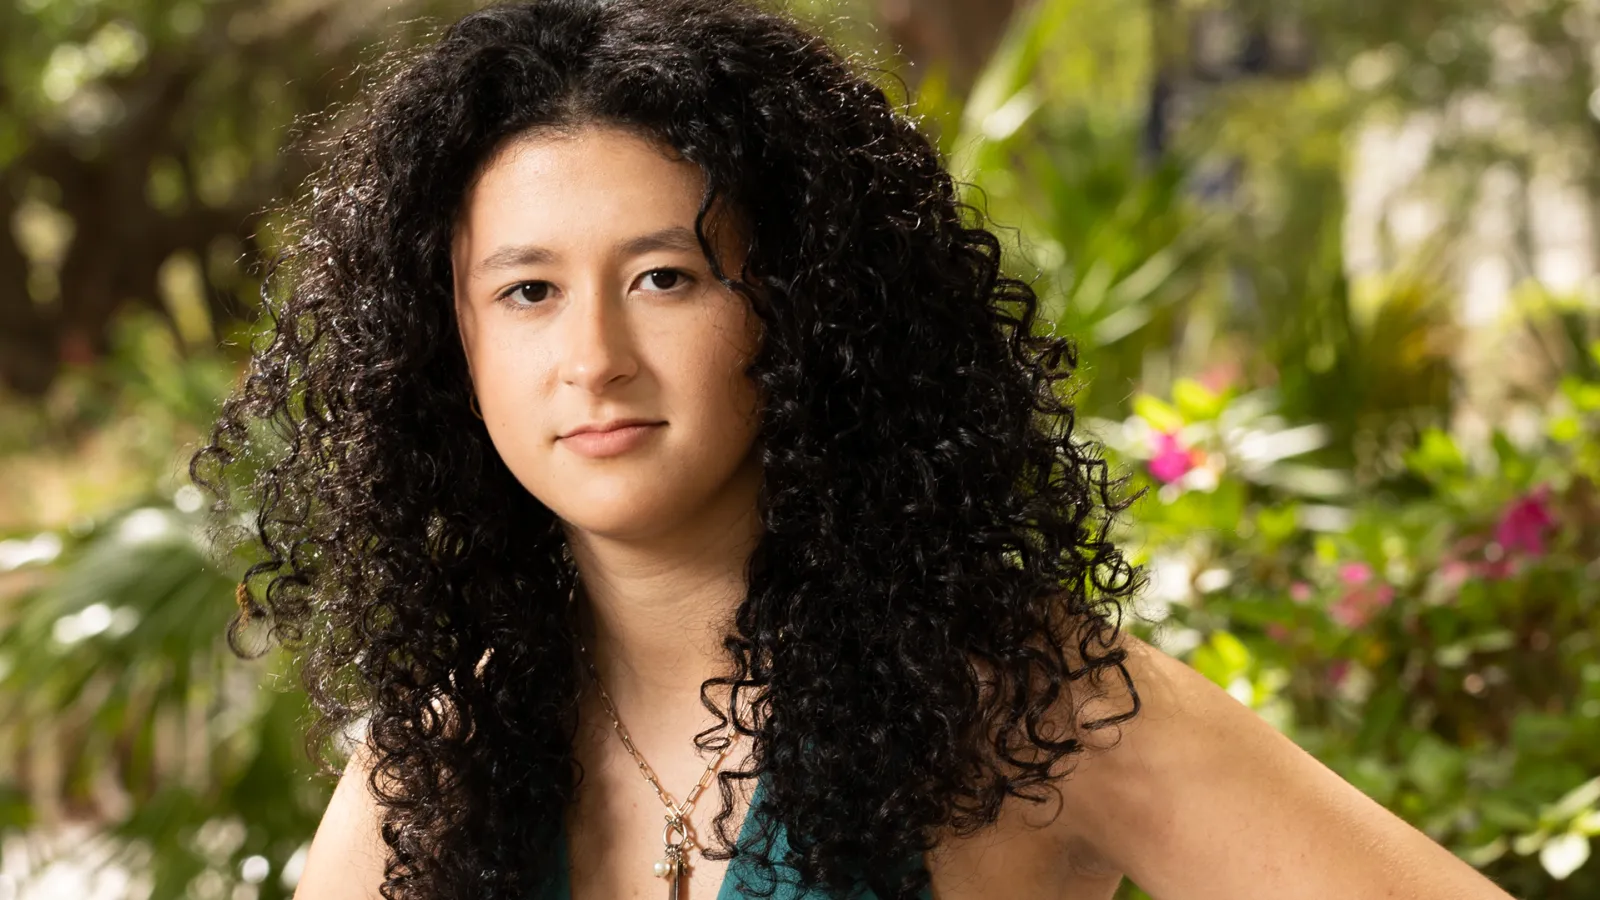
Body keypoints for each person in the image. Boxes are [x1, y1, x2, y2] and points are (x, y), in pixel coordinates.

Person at [189, 1, 1521, 899]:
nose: (591, 356)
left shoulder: (1025, 707)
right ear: (451, 349)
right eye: (528, 292)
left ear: (803, 305)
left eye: (665, 277)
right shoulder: (436, 759)